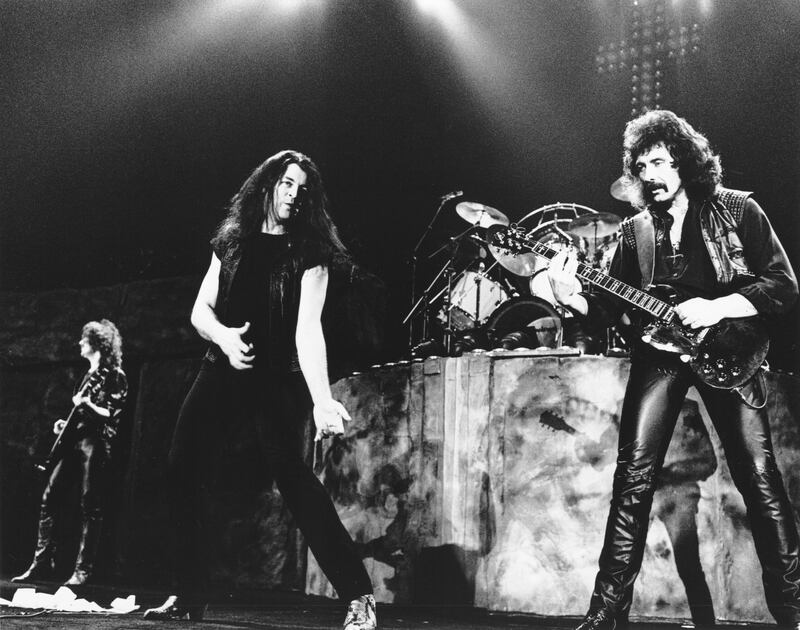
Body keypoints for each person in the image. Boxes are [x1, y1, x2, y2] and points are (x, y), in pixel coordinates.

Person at [547, 110, 800, 630]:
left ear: (684, 161)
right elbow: (608, 313)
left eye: (659, 161)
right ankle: (604, 614)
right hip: (659, 356)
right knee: (633, 479)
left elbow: (783, 286)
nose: (651, 174)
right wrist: (571, 295)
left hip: (730, 349)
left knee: (759, 479)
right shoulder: (635, 232)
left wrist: (718, 307)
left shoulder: (736, 209)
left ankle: (793, 611)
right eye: (641, 167)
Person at [143, 150, 376, 630]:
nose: (294, 195)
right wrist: (224, 337)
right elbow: (200, 310)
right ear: (267, 185)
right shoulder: (231, 241)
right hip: (222, 366)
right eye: (287, 184)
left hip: (276, 377)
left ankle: (360, 596)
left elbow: (307, 331)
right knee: (180, 465)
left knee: (292, 478)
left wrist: (321, 400)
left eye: (302, 189)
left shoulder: (311, 252)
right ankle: (189, 596)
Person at [12, 319, 127, 587]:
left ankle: (83, 571)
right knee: (49, 497)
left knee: (90, 505)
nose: (79, 343)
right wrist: (65, 424)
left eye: (84, 339)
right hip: (75, 440)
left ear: (97, 343)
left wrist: (87, 406)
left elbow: (112, 413)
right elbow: (81, 413)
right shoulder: (86, 377)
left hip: (95, 443)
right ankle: (41, 564)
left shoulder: (114, 375)